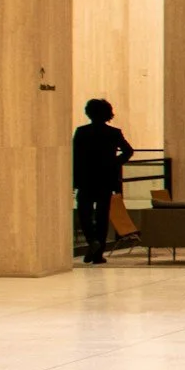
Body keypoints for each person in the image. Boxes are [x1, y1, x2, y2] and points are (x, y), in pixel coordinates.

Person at [71, 98, 135, 265]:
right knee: (102, 216)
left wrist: (74, 180)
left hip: (86, 180)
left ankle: (92, 241)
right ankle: (98, 254)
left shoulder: (82, 132)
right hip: (106, 180)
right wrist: (114, 163)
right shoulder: (113, 133)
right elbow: (128, 151)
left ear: (89, 113)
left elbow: (75, 158)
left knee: (84, 214)